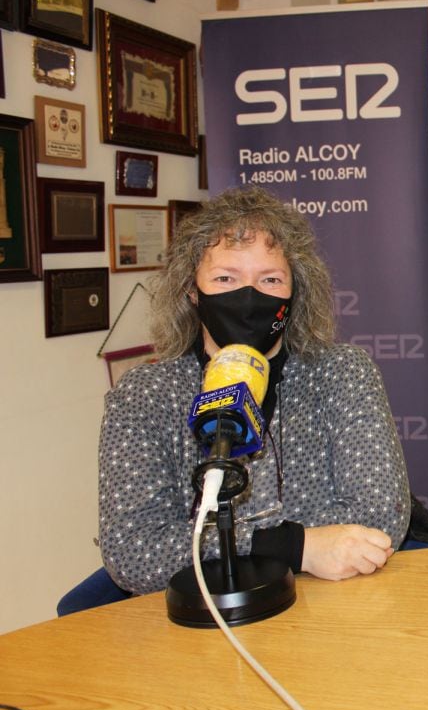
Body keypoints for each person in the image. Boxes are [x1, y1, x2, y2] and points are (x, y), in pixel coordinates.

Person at [98, 186, 412, 595]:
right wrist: (297, 546)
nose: (248, 297)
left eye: (270, 279)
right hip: (204, 610)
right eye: (225, 278)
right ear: (192, 291)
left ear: (296, 291)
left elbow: (379, 517)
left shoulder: (341, 372)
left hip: (329, 598)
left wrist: (206, 542)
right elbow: (133, 551)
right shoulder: (144, 395)